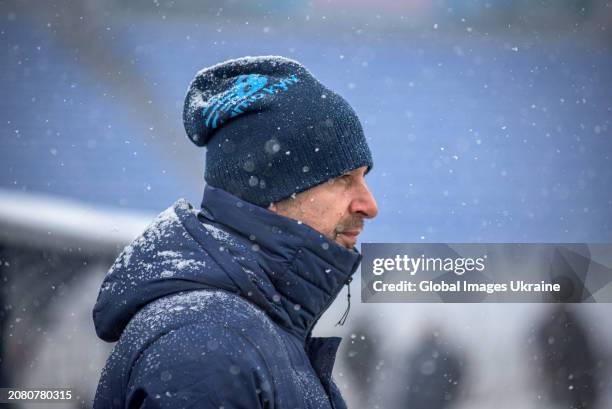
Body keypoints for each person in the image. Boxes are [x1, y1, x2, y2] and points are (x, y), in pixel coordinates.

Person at [92, 56, 378, 409]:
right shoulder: (208, 340)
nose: (369, 205)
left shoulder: (251, 330)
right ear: (270, 192)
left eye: (364, 178)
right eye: (343, 179)